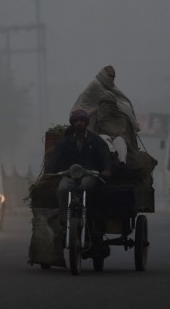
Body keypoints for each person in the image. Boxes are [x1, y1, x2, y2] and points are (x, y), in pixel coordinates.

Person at [49, 109, 113, 256]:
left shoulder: (96, 141)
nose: (79, 123)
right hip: (69, 176)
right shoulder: (66, 141)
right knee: (63, 189)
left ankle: (84, 216)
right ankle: (64, 223)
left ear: (86, 123)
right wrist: (51, 171)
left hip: (89, 175)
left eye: (82, 120)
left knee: (85, 186)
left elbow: (105, 157)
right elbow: (55, 157)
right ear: (73, 123)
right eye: (77, 120)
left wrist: (106, 170)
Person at [72, 65, 141, 132]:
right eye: (109, 75)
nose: (111, 79)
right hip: (84, 115)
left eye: (113, 77)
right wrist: (133, 122)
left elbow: (122, 99)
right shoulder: (96, 84)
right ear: (104, 74)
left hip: (96, 113)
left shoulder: (107, 84)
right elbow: (113, 101)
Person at [88, 90, 139, 164]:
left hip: (118, 140)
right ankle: (111, 153)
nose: (106, 105)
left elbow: (124, 134)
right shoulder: (93, 116)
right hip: (99, 141)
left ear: (114, 104)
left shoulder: (121, 117)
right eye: (103, 102)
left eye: (110, 103)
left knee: (120, 140)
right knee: (103, 138)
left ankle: (121, 161)